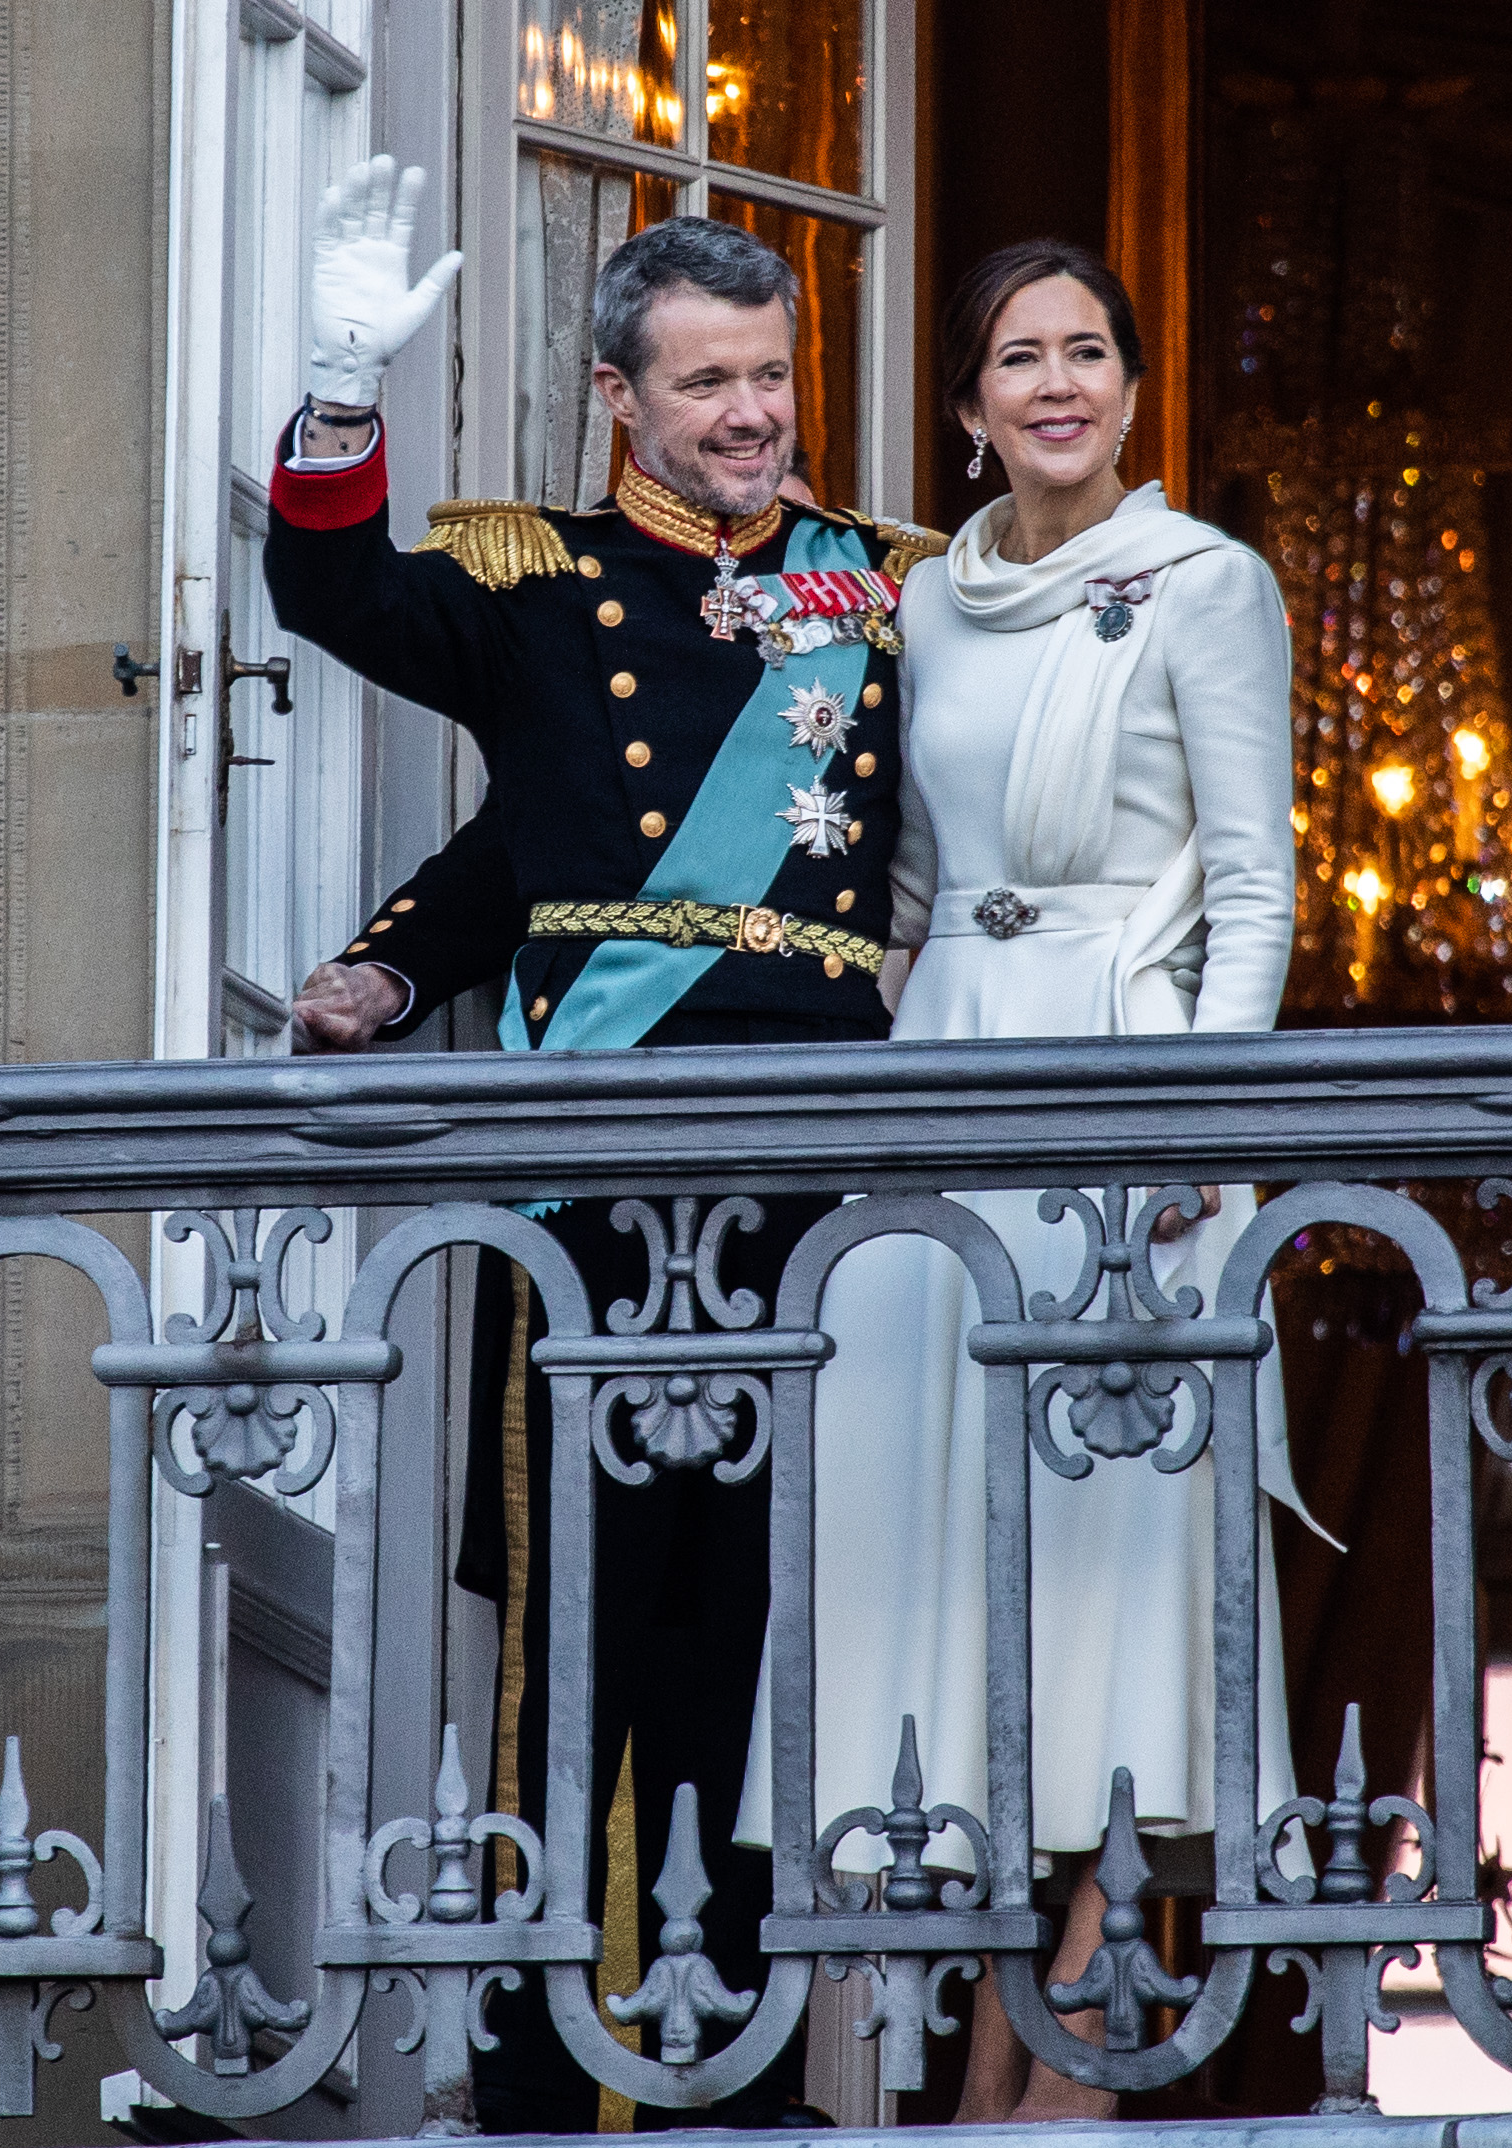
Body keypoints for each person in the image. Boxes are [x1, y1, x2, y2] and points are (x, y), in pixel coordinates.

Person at [265, 158, 942, 2131]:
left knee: (765, 1611)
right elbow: (340, 606)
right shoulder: (528, 580)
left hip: (810, 1167)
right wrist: (331, 404)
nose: (747, 416)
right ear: (617, 398)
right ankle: (541, 2078)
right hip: (594, 1160)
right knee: (573, 1619)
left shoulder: (883, 588)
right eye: (706, 383)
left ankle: (733, 2076)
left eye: (768, 379)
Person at [733, 239, 1313, 2124]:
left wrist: (1200, 1144)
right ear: (968, 408)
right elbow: (889, 895)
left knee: (1114, 1609)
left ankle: (1060, 2095)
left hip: (1125, 1094)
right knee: (934, 1596)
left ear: (1134, 391)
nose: (1055, 381)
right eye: (1016, 355)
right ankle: (947, 2081)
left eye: (1088, 351)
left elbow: (1254, 893)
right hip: (945, 1085)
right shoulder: (918, 603)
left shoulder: (1205, 585)